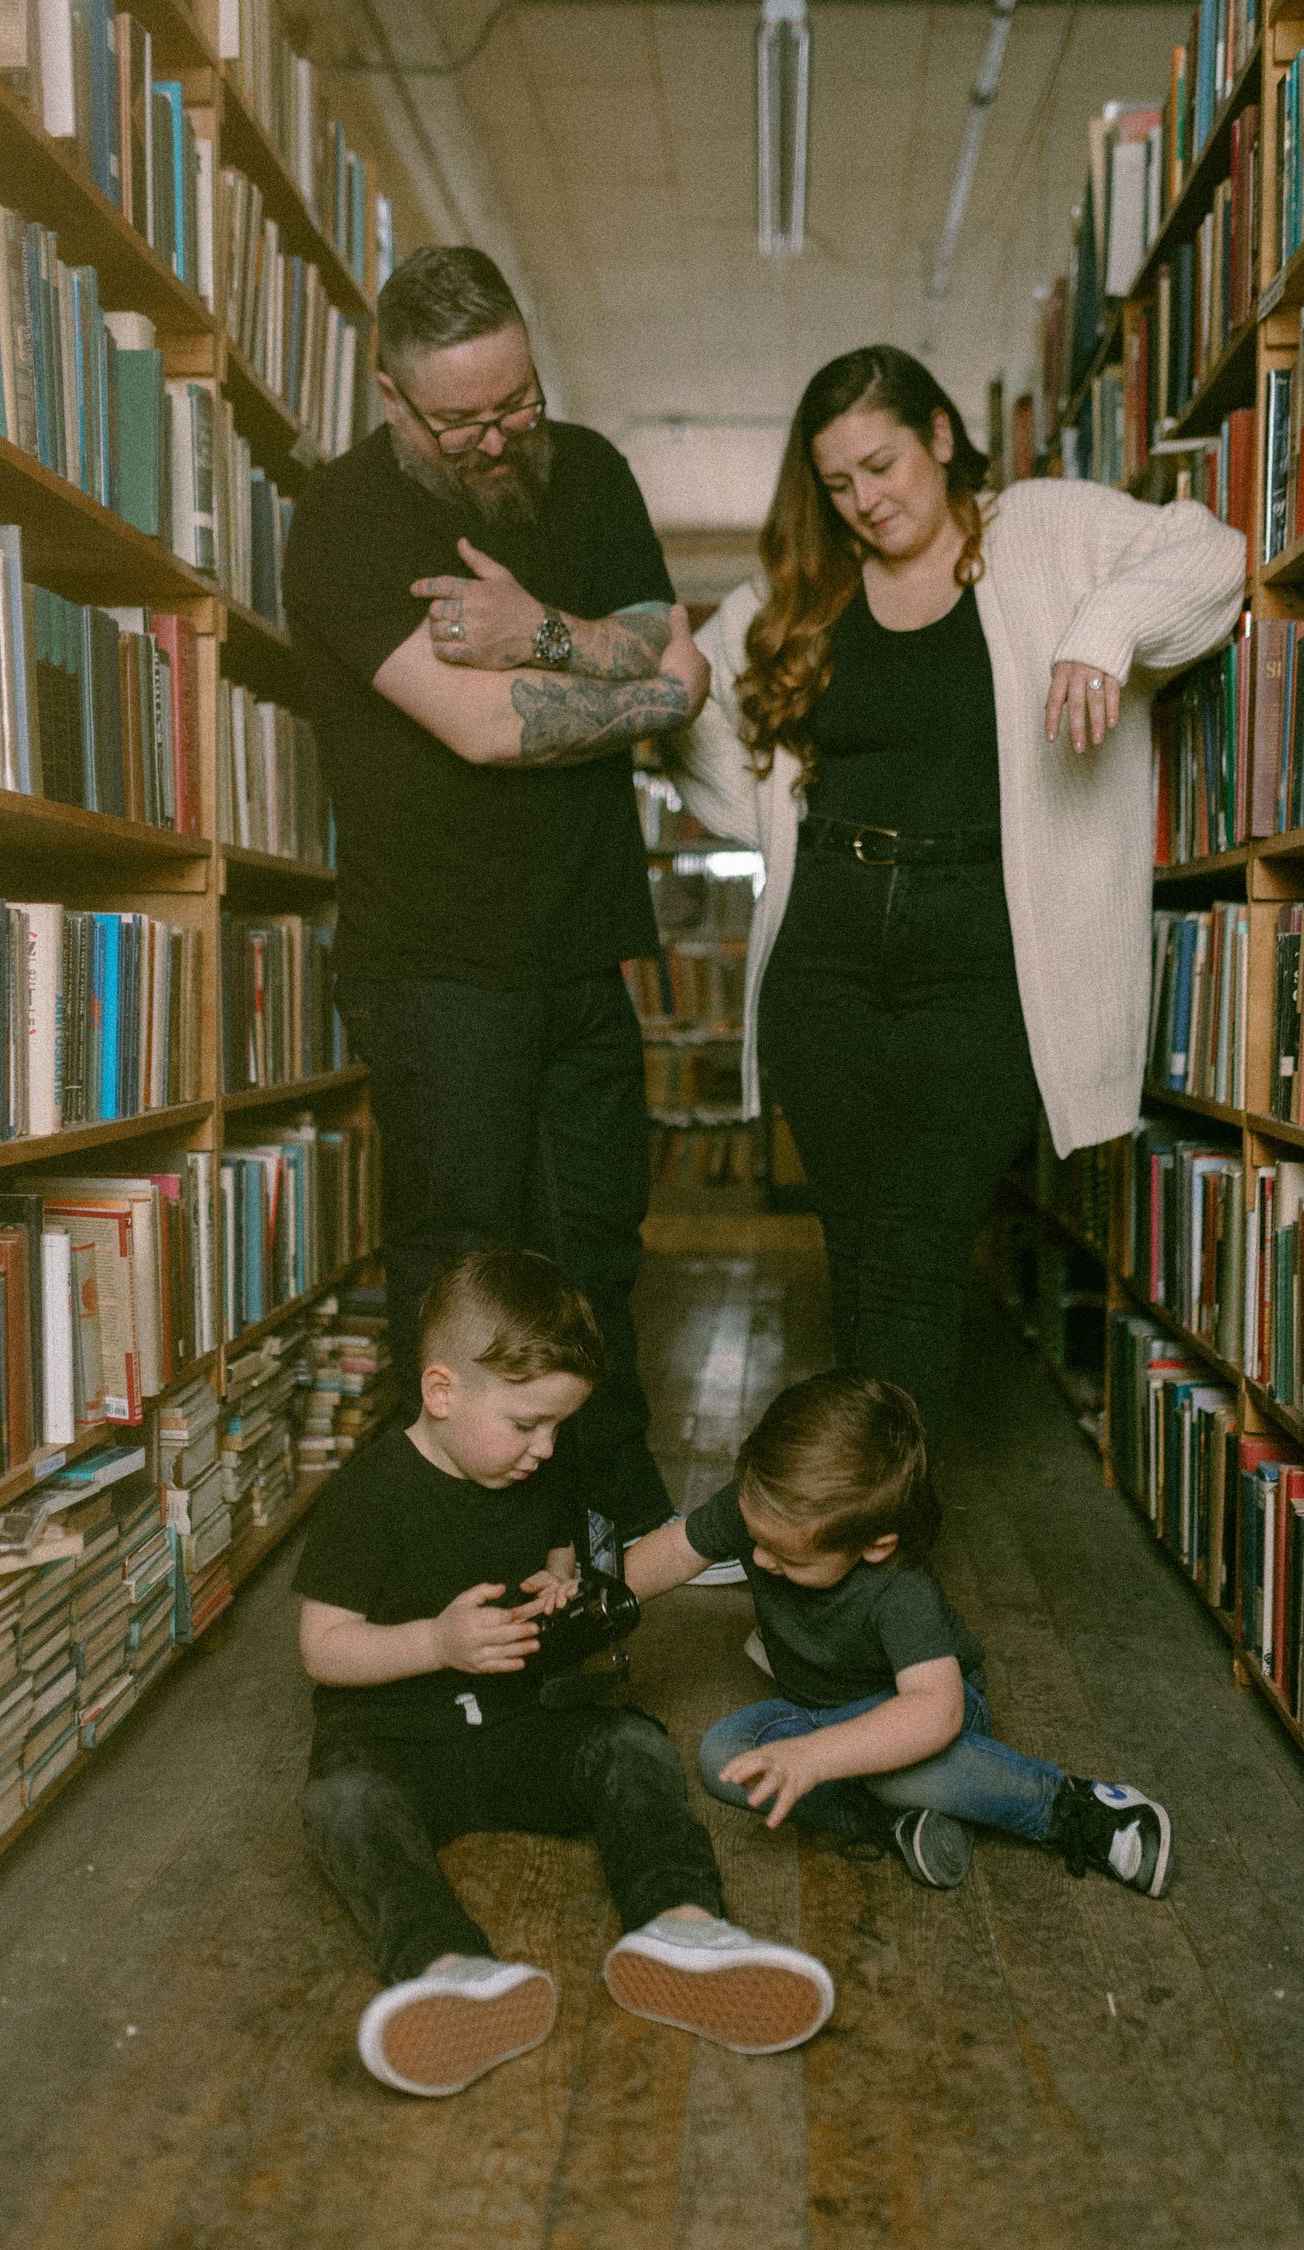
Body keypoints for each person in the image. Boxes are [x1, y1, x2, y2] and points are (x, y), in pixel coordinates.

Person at [664, 345, 1247, 1449]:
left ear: (940, 436)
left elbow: (1207, 550)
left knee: (920, 1249)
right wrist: (771, 824)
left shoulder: (1040, 526)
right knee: (865, 1250)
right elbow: (688, 709)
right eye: (836, 485)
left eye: (882, 465)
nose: (865, 501)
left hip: (982, 961)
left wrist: (1101, 630)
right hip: (826, 956)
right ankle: (871, 1550)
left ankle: (862, 1548)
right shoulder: (799, 592)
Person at [282, 245, 709, 1548]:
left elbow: (676, 662)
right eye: (461, 420)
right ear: (394, 400)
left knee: (600, 1249)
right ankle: (460, 1557)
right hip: (434, 955)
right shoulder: (348, 517)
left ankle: (616, 1531)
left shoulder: (590, 470)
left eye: (514, 401)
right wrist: (636, 680)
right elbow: (475, 728)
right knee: (463, 1267)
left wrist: (537, 632)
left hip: (584, 942)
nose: (495, 438)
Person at [294, 1248, 835, 2097]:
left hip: (517, 1726)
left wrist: (562, 1597)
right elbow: (323, 1646)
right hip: (396, 1743)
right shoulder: (369, 1496)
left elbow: (556, 1567)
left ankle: (683, 1927)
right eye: (525, 1424)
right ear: (442, 1393)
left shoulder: (536, 1473)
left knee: (629, 1743)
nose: (544, 1449)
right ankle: (446, 1970)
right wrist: (435, 1644)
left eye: (557, 1427)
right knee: (343, 1803)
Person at [623, 1371, 1173, 1895]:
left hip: (923, 1715)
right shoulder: (765, 1513)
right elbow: (673, 1551)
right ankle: (899, 1824)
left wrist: (814, 1758)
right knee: (723, 1758)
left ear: (875, 1544)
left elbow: (936, 1711)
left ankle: (1077, 1808)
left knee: (896, 1773)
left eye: (789, 1558)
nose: (758, 1559)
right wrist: (595, 1602)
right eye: (755, 1538)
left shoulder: (901, 1589)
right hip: (817, 1711)